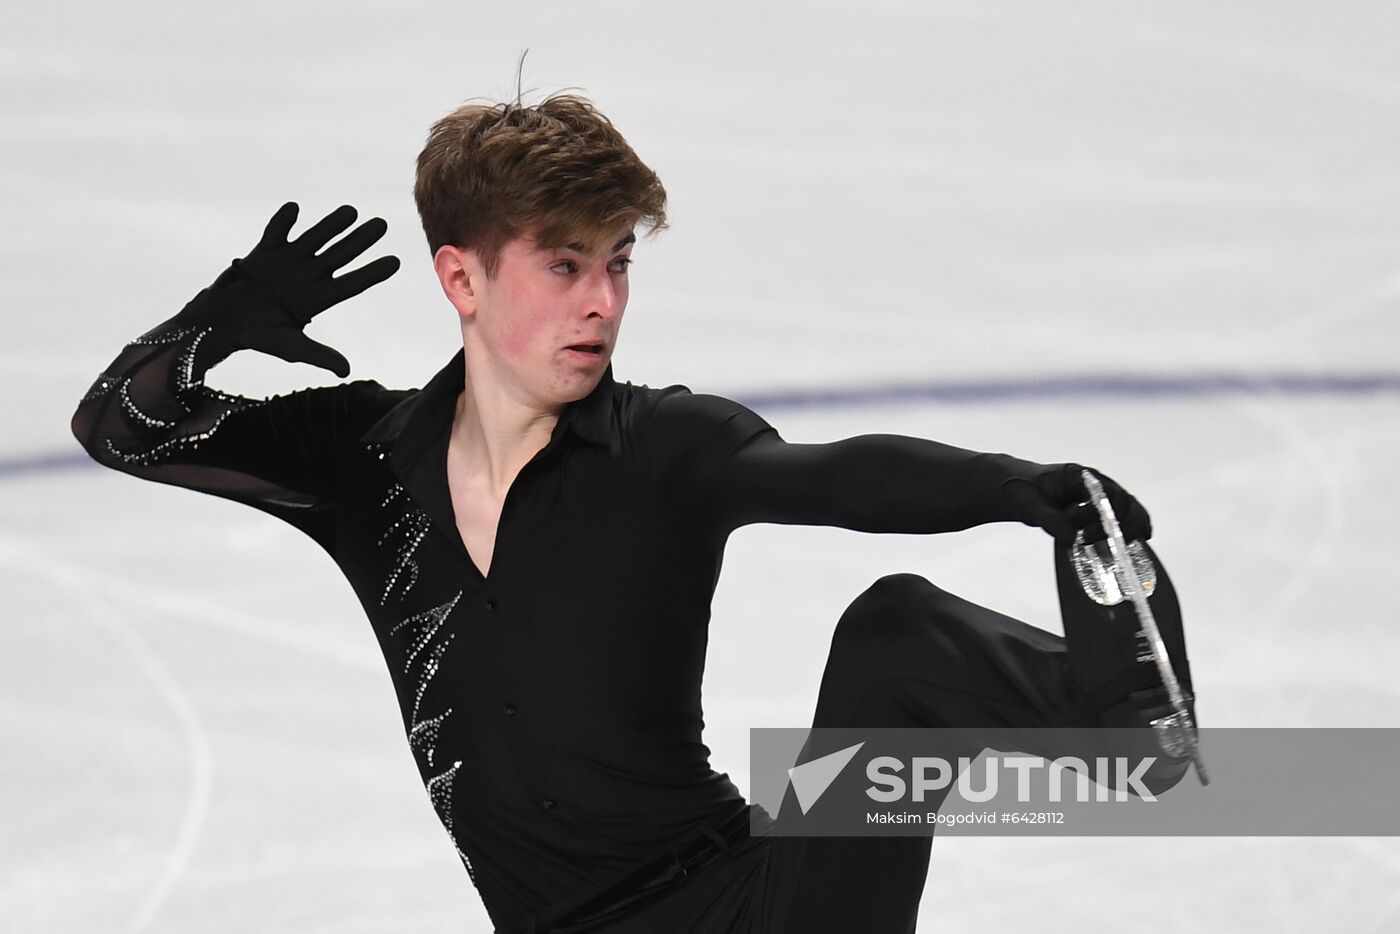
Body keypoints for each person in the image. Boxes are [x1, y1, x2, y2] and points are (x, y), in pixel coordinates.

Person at [72, 92, 1196, 933]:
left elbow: (833, 474)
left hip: (760, 907)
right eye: (564, 266)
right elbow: (124, 428)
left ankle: (1125, 720)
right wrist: (214, 323)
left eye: (615, 264)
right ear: (461, 281)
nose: (602, 301)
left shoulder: (661, 444)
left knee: (894, 633)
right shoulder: (361, 461)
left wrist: (1013, 486)